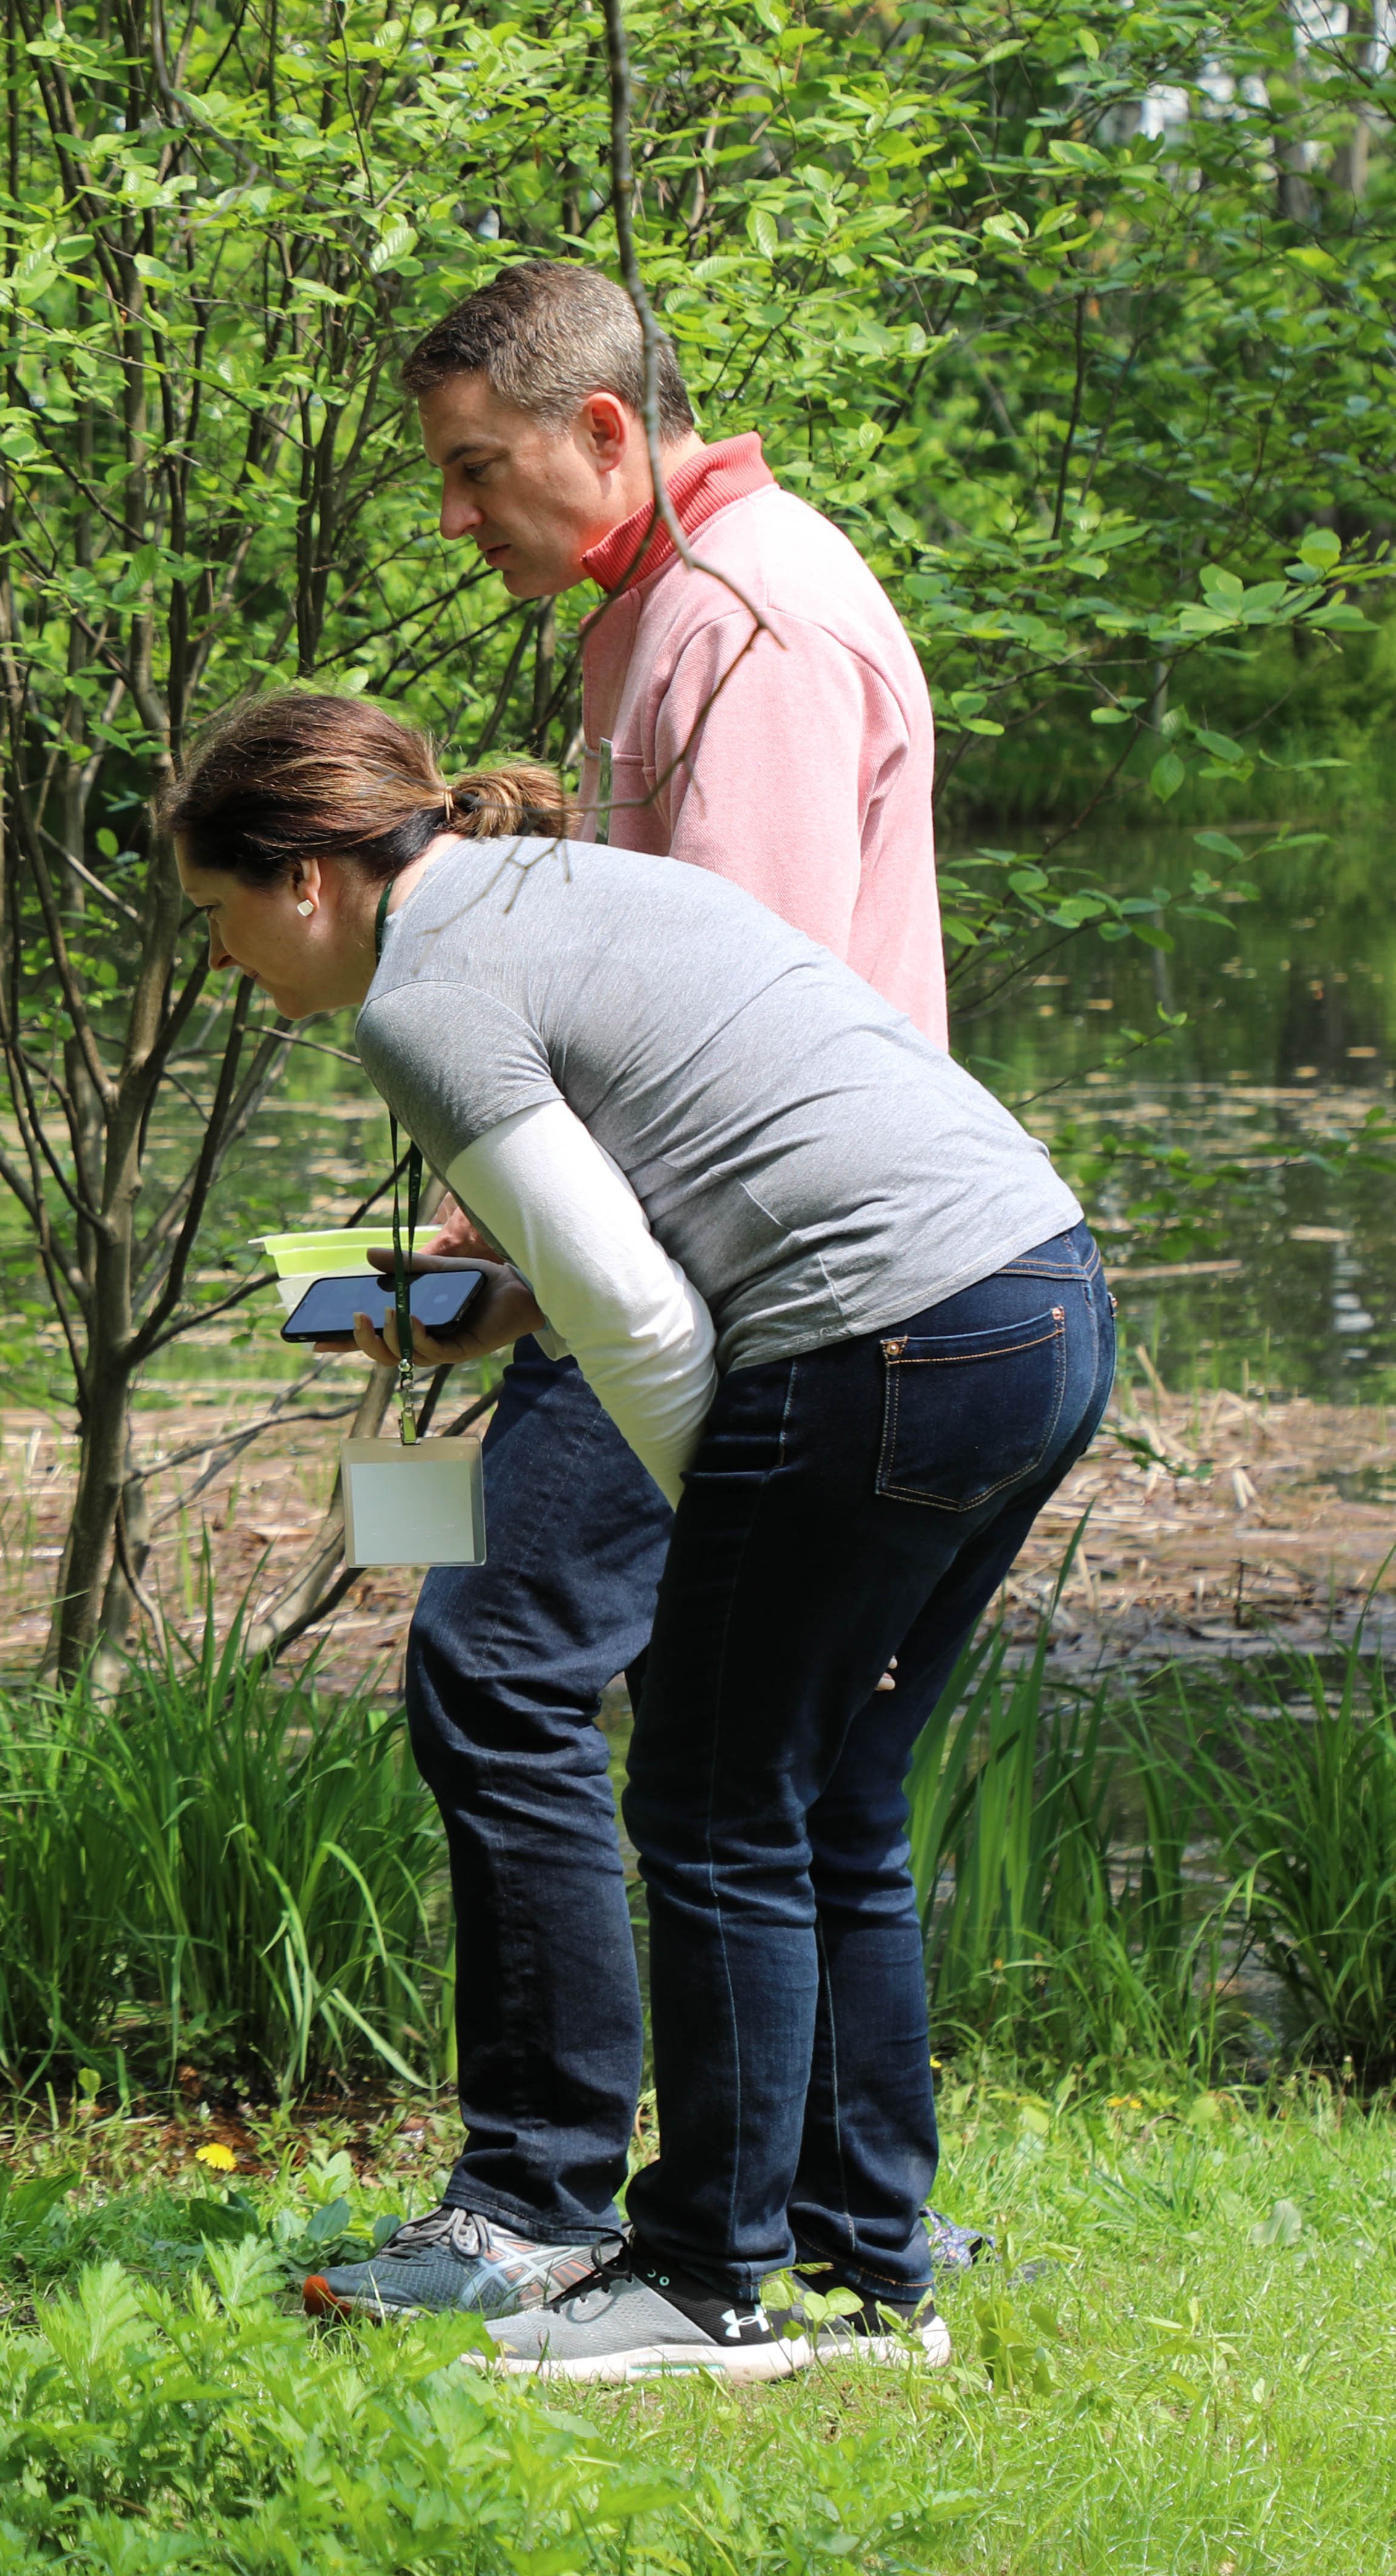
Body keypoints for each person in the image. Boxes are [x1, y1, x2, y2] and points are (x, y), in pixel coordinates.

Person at [169, 692, 1112, 2381]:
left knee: (710, 1792)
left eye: (221, 921)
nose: (234, 964)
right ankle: (869, 2253)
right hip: (1036, 1294)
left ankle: (705, 2281)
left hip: (880, 1337)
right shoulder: (552, 883)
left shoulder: (421, 996)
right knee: (833, 1788)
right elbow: (641, 1237)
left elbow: (649, 1333)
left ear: (304, 877)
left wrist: (738, 1561)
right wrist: (508, 1308)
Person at [324, 261, 963, 2325]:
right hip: (732, 1263)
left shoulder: (743, 628)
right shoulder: (669, 609)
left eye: (474, 469)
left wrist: (530, 1262)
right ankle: (856, 2220)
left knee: (503, 1676)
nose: (455, 517)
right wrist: (484, 1242)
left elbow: (725, 1032)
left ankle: (542, 2198)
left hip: (738, 1274)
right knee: (796, 1770)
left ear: (605, 430)